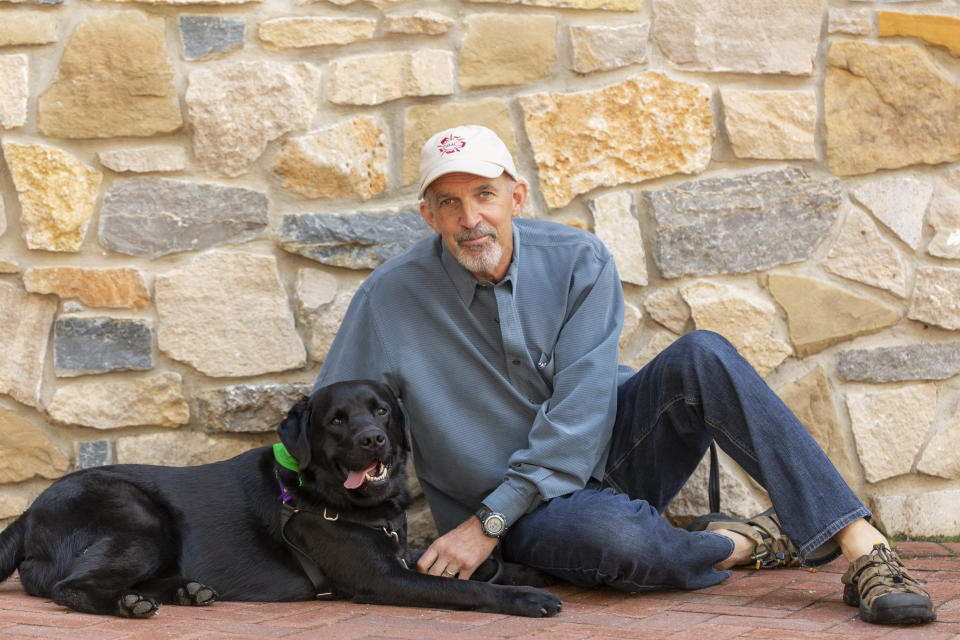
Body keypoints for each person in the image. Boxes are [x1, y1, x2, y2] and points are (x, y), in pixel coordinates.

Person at [313, 125, 935, 625]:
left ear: (516, 197)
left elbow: (581, 414)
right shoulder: (388, 299)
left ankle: (866, 553)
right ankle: (744, 544)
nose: (469, 218)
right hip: (523, 512)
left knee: (704, 354)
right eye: (448, 202)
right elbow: (329, 415)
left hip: (613, 451)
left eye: (483, 194)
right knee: (613, 537)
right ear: (428, 215)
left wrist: (484, 527)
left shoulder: (579, 260)